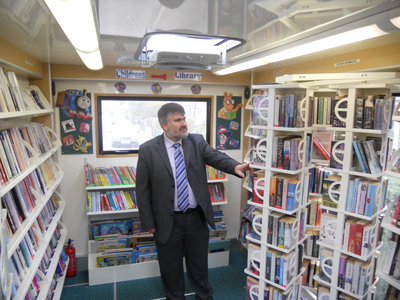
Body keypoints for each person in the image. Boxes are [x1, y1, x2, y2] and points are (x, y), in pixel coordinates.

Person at [136, 103, 251, 300]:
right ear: (165, 125)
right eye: (178, 120)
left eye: (184, 119)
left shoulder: (196, 142)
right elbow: (142, 189)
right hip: (166, 222)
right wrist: (149, 223)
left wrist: (235, 166)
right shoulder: (148, 149)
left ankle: (204, 297)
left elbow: (216, 157)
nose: (183, 124)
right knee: (170, 268)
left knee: (199, 266)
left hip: (195, 218)